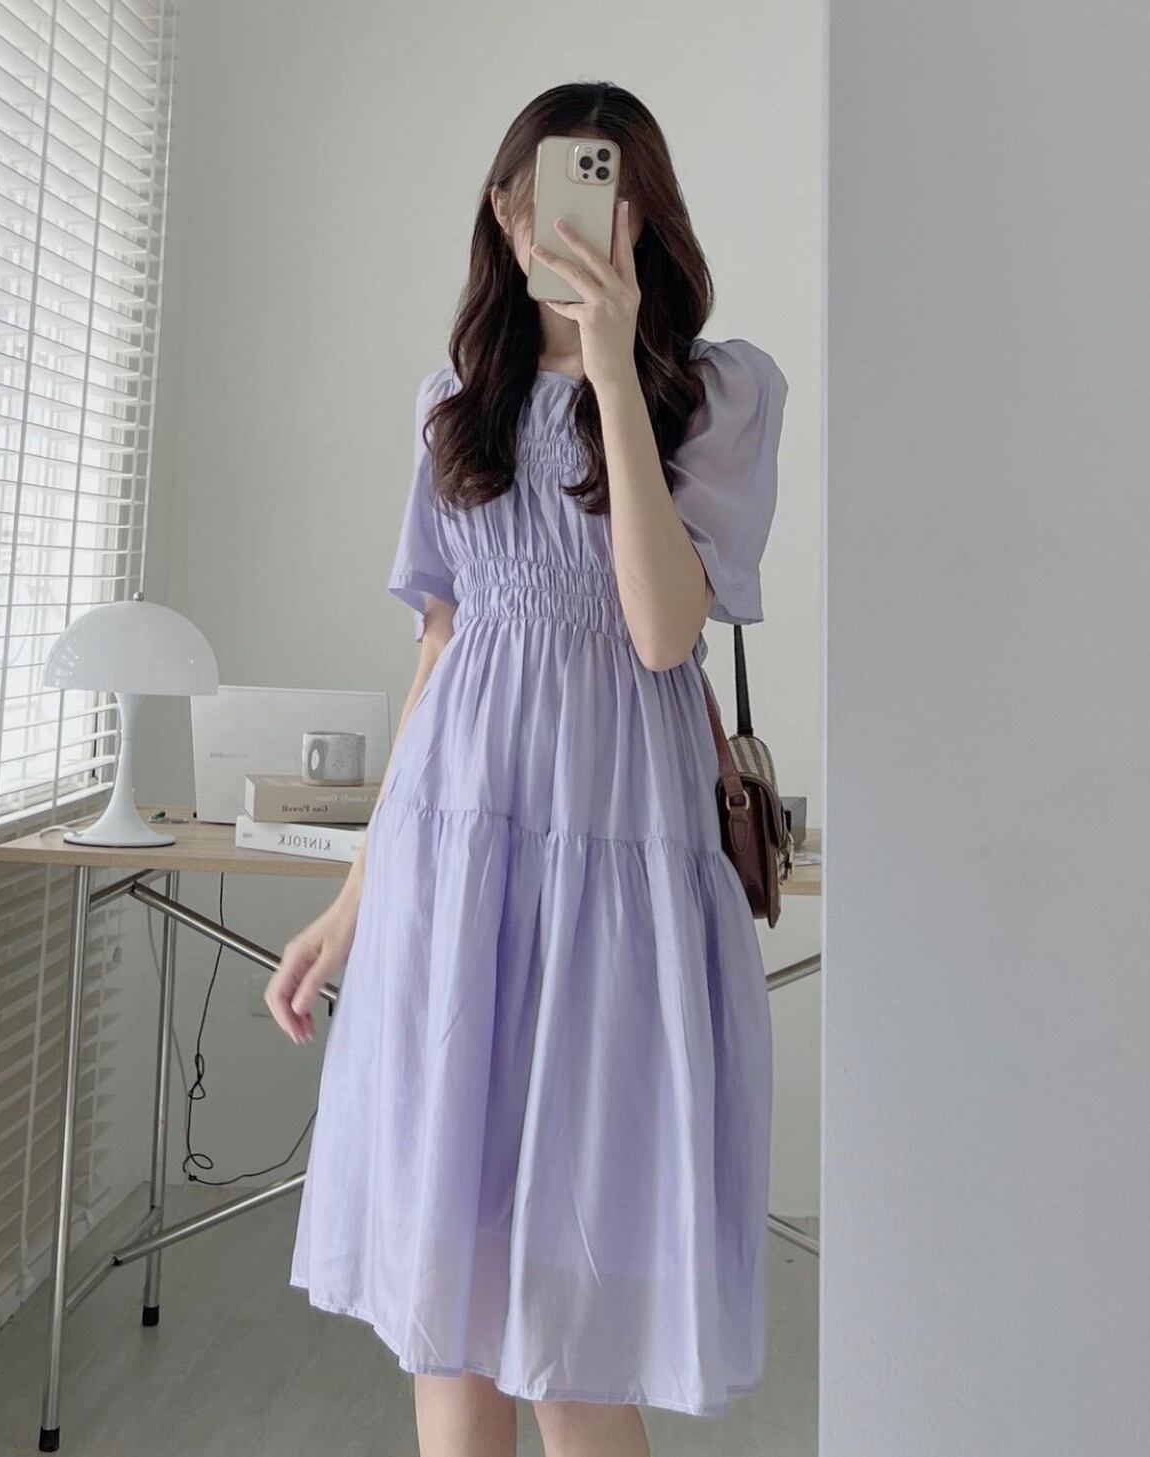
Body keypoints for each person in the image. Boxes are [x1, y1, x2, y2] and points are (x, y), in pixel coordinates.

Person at [265, 80, 788, 1457]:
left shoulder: (713, 393)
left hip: (612, 865)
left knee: (570, 1323)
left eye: (601, 197)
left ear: (644, 220)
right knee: (446, 1309)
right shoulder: (456, 405)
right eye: (537, 196)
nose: (562, 226)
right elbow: (438, 649)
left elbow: (663, 632)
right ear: (503, 216)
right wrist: (353, 900)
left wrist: (612, 370)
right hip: (455, 861)